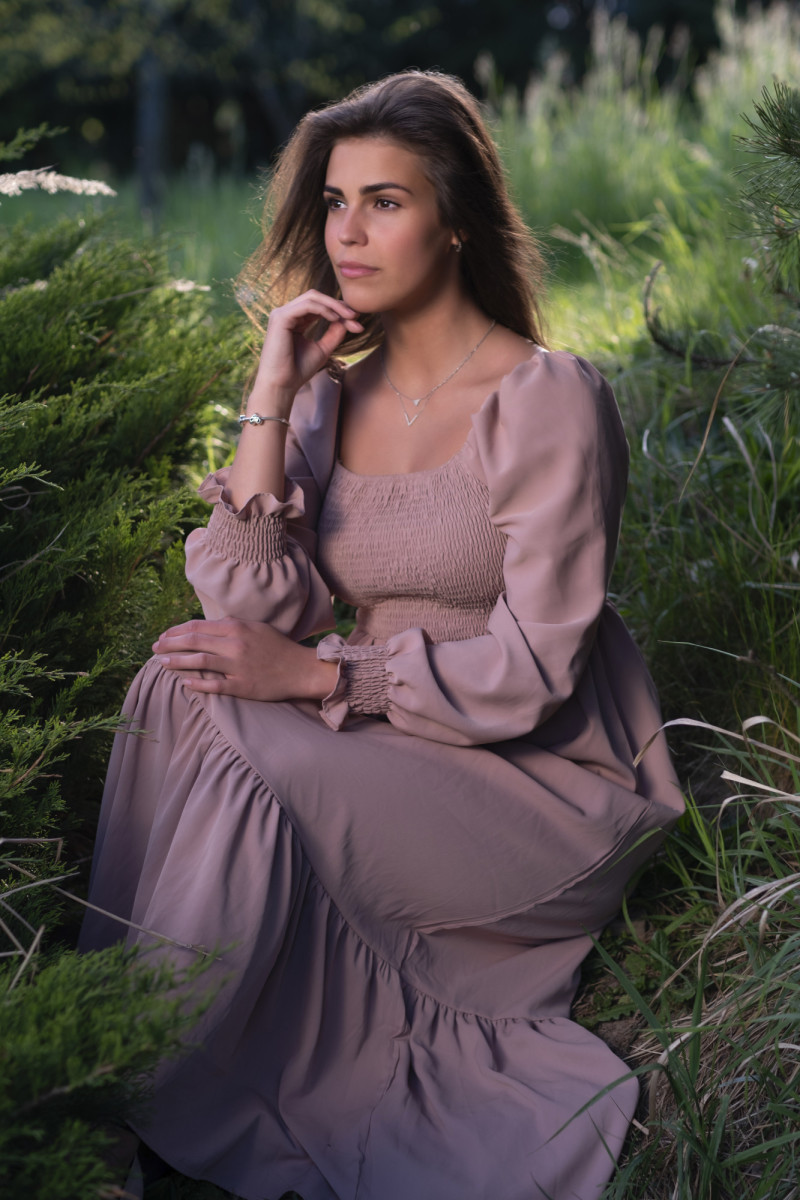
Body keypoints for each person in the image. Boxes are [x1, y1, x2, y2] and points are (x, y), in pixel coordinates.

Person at [80, 70, 683, 1200]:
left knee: (232, 729)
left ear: (456, 221)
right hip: (388, 735)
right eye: (333, 203)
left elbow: (538, 670)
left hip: (536, 774)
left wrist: (321, 676)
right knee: (178, 683)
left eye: (385, 202)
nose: (346, 233)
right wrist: (272, 386)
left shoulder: (544, 397)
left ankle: (128, 1089)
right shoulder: (329, 397)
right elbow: (247, 615)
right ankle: (103, 1070)